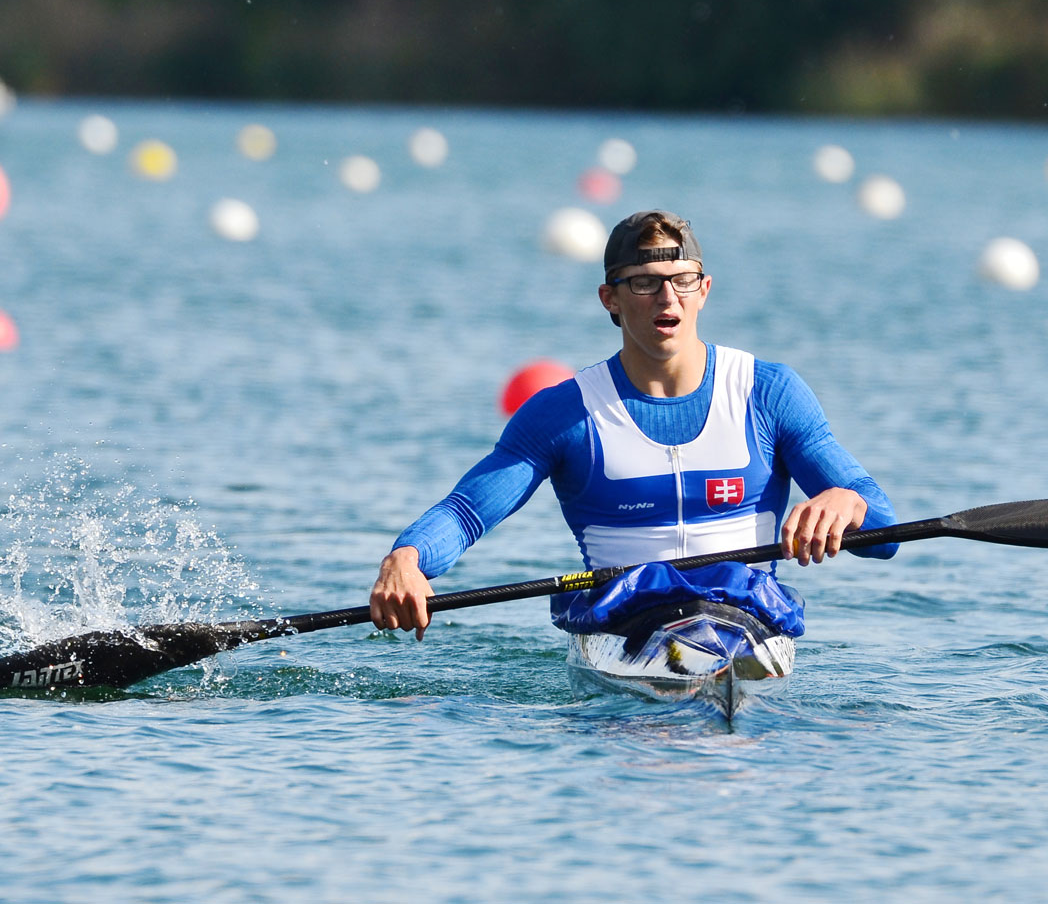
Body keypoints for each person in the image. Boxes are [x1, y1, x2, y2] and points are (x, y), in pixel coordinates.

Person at [369, 209, 896, 641]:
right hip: (626, 629)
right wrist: (407, 558)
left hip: (745, 622)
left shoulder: (769, 393)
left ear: (704, 289)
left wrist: (849, 503)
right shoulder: (565, 415)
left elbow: (884, 534)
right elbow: (465, 513)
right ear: (610, 300)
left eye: (682, 281)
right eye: (645, 283)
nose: (668, 298)